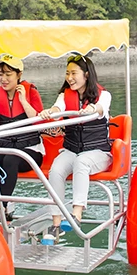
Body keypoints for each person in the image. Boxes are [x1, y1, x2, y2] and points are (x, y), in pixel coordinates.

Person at [39, 54, 112, 243]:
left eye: (74, 73)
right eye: (67, 73)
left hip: (98, 152)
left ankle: (76, 215)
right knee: (55, 170)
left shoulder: (103, 95)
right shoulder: (65, 96)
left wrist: (92, 110)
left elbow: (101, 108)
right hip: (72, 150)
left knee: (82, 162)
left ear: (86, 75)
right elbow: (57, 108)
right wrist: (50, 112)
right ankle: (56, 224)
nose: (69, 77)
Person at [0, 54, 44, 223]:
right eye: (1, 75)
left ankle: (1, 206)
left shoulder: (31, 93)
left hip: (30, 151)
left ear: (18, 75)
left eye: (8, 75)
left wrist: (23, 100)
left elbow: (40, 121)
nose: (3, 79)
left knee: (11, 159)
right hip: (4, 147)